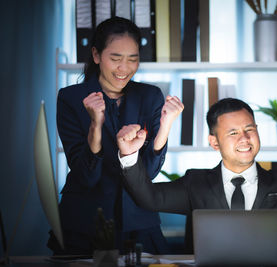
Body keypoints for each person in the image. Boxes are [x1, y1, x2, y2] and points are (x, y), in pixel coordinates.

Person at [115, 97, 277, 253]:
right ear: (214, 142)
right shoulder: (195, 184)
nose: (245, 138)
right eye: (233, 133)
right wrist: (128, 155)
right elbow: (148, 198)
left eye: (250, 129)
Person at [49, 16, 183, 255]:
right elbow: (86, 176)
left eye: (133, 59)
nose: (124, 68)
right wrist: (95, 127)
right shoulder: (70, 98)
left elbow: (148, 173)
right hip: (86, 220)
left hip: (139, 219)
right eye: (115, 58)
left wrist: (165, 126)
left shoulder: (150, 96)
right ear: (96, 55)